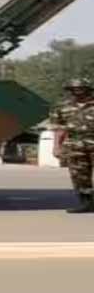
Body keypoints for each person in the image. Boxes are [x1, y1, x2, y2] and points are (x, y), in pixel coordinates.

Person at [52, 77, 94, 214]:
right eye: (74, 89)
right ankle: (87, 204)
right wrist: (56, 146)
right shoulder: (63, 107)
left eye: (80, 89)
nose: (77, 92)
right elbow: (59, 128)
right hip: (74, 145)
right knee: (79, 175)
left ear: (88, 89)